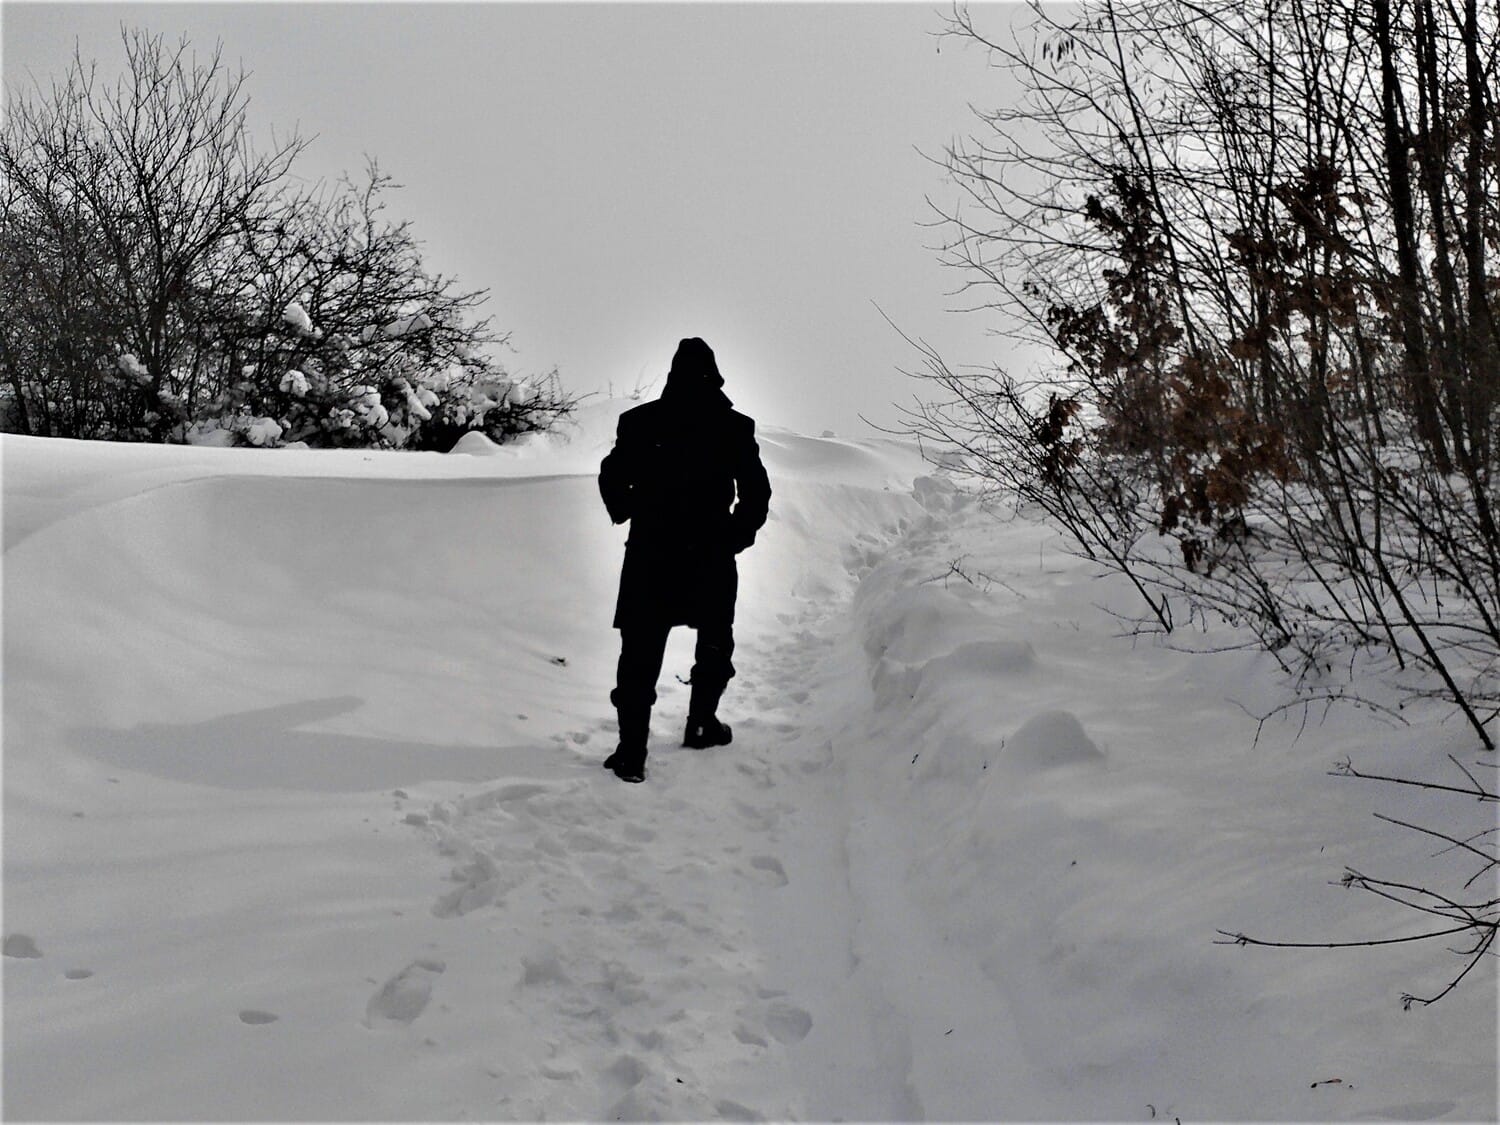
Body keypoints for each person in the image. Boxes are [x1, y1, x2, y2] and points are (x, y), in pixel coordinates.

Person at [597, 337, 772, 783]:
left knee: (639, 652)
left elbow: (612, 475)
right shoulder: (733, 427)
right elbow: (757, 492)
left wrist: (629, 507)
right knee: (714, 642)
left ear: (672, 375)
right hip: (709, 555)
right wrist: (735, 536)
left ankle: (631, 751)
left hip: (650, 554)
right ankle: (700, 724)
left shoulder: (640, 423)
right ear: (715, 377)